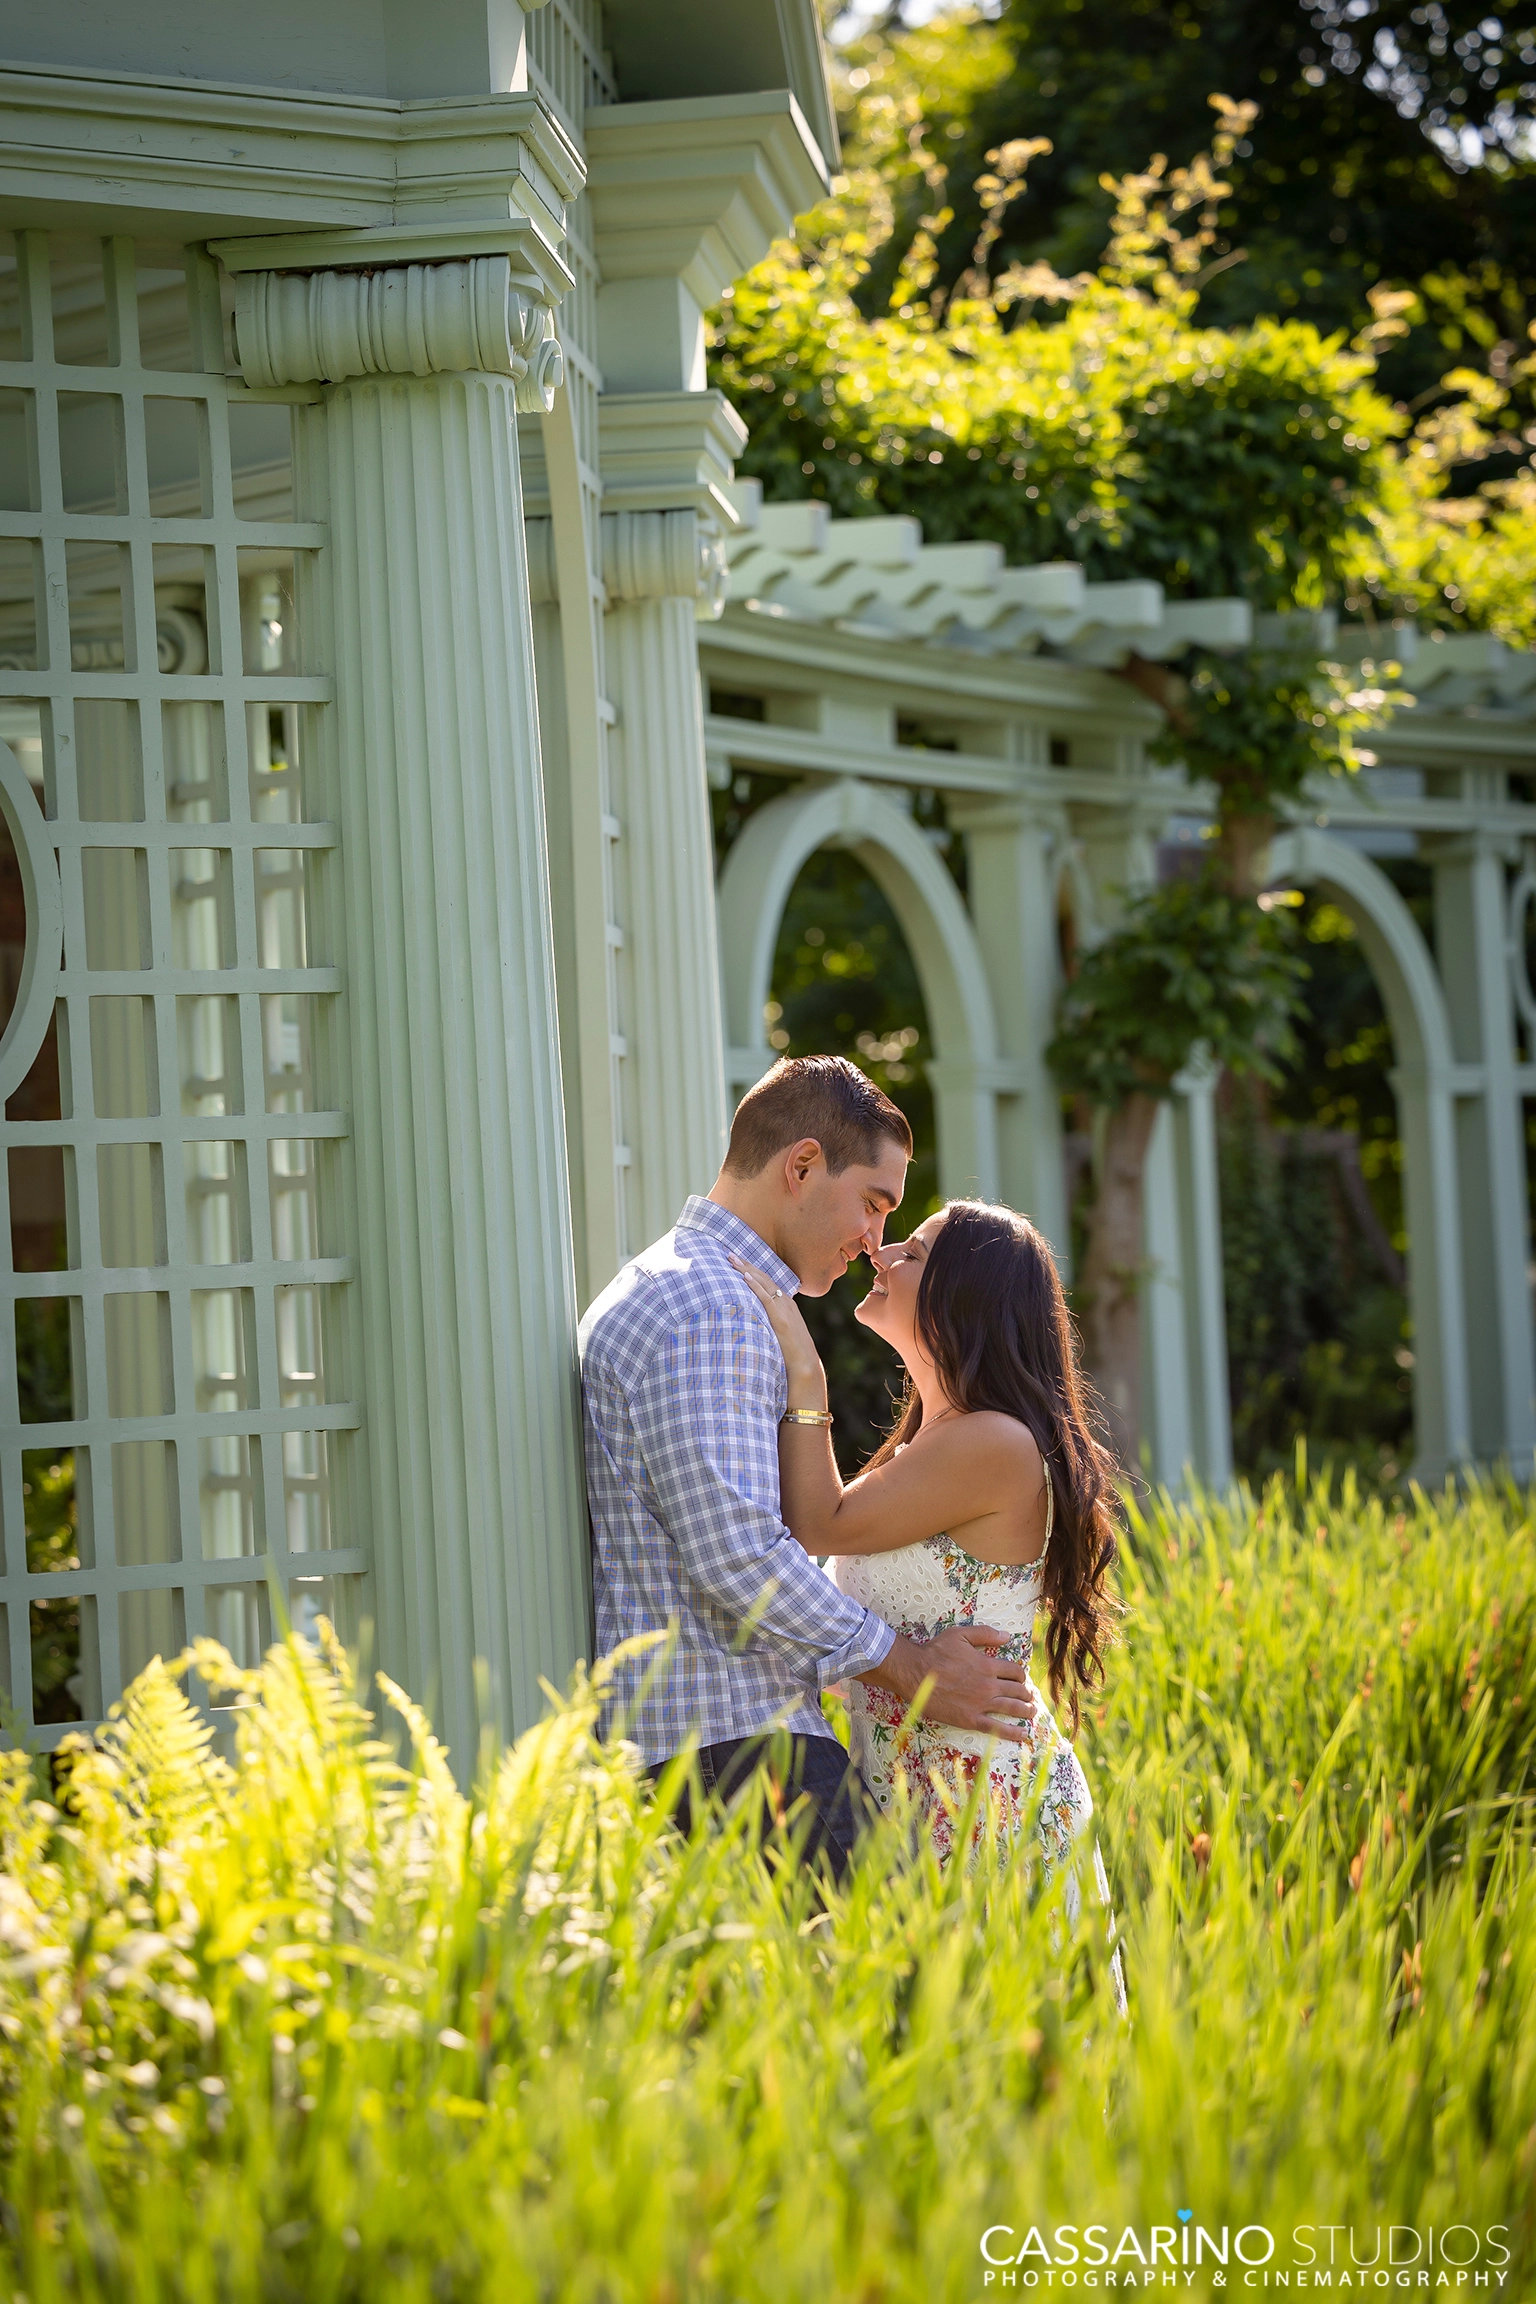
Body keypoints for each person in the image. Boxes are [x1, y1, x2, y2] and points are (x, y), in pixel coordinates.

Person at [577, 1057, 1038, 1879]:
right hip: (736, 1748)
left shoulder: (701, 1291)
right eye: (873, 1203)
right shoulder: (710, 1309)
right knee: (901, 1999)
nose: (874, 1242)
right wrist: (915, 1666)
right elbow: (741, 1558)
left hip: (729, 1749)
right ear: (801, 1166)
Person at [729, 1197, 1130, 2014]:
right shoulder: (933, 1444)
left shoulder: (995, 1444)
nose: (882, 1254)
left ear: (960, 1296)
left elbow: (820, 1520)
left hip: (987, 1807)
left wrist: (803, 1372)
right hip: (922, 1796)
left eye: (911, 1249)